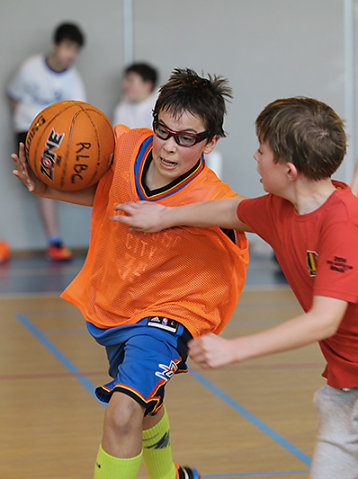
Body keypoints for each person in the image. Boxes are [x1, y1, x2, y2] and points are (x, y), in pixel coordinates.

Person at [12, 68, 249, 479]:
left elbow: (248, 213)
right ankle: (169, 475)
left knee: (123, 412)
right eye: (163, 129)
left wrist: (168, 216)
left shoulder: (212, 196)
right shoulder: (124, 147)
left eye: (186, 138)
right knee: (148, 403)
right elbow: (107, 196)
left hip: (177, 311)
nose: (169, 147)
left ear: (210, 142)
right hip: (123, 302)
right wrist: (49, 189)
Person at [112, 97, 358, 479]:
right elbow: (229, 211)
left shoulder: (342, 225)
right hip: (343, 392)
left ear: (289, 170)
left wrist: (235, 349)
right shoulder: (280, 209)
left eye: (262, 150)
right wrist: (164, 216)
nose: (255, 157)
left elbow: (324, 320)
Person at [7, 22, 86, 261]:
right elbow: (13, 96)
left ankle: (54, 241)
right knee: (38, 183)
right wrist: (26, 122)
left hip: (55, 136)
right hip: (27, 130)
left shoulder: (73, 79)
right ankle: (54, 240)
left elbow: (77, 115)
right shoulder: (30, 68)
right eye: (68, 47)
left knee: (48, 184)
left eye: (76, 50)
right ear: (55, 45)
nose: (71, 54)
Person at [113, 62, 158, 129]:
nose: (125, 86)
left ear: (148, 85)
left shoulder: (161, 106)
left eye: (131, 81)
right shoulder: (122, 108)